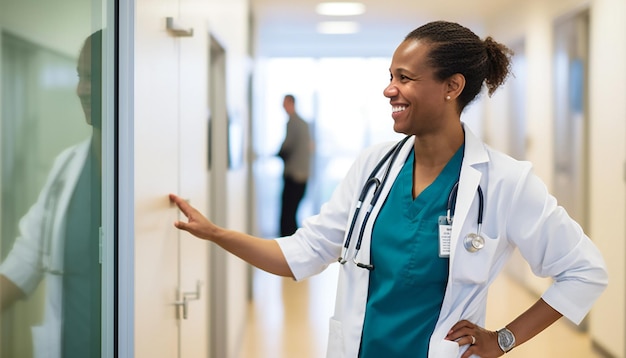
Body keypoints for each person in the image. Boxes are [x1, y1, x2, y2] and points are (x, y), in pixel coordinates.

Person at [169, 20, 607, 358]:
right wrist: (216, 234)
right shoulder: (373, 167)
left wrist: (504, 339)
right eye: (390, 75)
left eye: (405, 77)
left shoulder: (506, 182)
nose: (389, 89)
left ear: (452, 87)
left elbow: (585, 270)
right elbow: (304, 253)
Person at [0, 30, 103, 358]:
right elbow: (26, 258)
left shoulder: (150, 173)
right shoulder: (66, 167)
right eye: (80, 76)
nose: (81, 89)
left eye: (94, 77)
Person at [277, 94, 312, 236]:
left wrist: (277, 154)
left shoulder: (292, 122)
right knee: (292, 214)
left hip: (293, 176)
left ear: (291, 103)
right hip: (303, 177)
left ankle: (284, 249)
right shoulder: (304, 124)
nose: (283, 107)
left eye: (285, 103)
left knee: (287, 216)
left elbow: (287, 146)